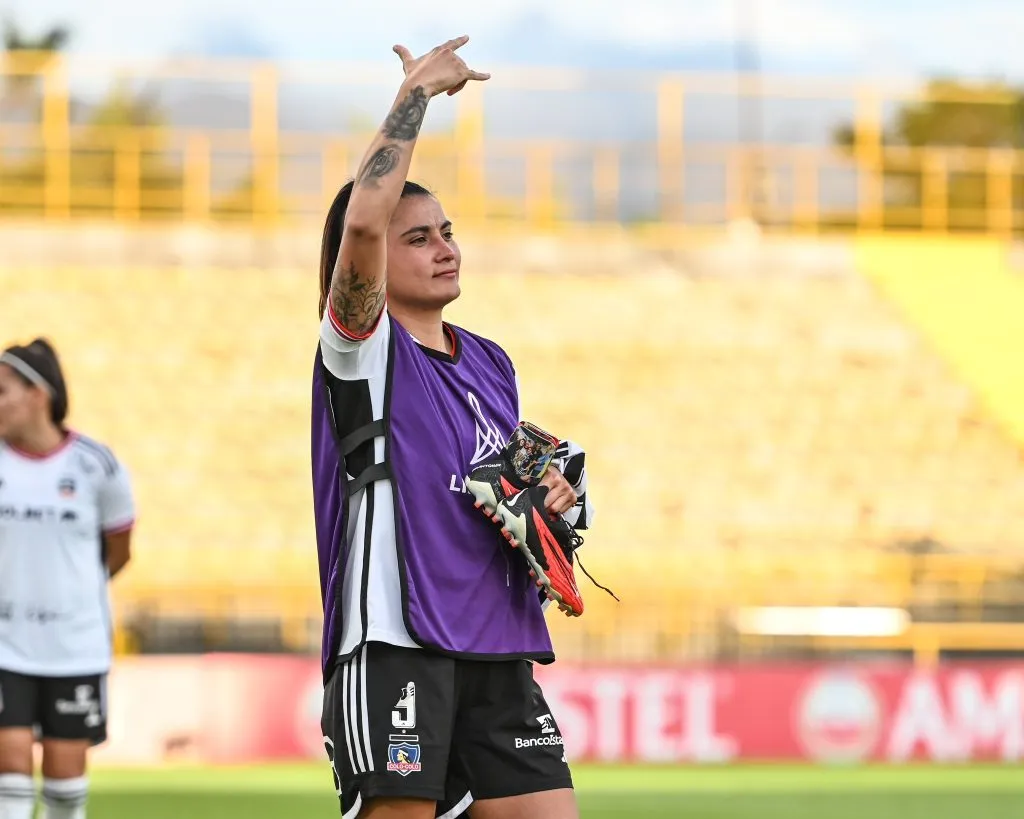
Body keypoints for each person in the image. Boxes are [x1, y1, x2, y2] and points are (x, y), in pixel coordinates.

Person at [313, 36, 597, 819]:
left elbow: (497, 483)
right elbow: (364, 221)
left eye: (446, 231)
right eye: (419, 238)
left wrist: (553, 497)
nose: (445, 248)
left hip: (498, 643)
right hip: (398, 639)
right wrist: (415, 99)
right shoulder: (360, 346)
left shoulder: (492, 362)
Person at [0, 339, 135, 819]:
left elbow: (117, 552)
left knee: (65, 780)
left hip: (73, 646)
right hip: (5, 642)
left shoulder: (97, 466)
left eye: (2, 391)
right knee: (8, 767)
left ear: (38, 395)